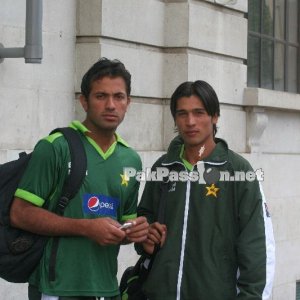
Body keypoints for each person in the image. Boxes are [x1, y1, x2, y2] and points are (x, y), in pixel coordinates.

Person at [10, 58, 149, 300]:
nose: (111, 105)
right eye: (100, 96)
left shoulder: (131, 160)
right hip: (57, 288)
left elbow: (123, 228)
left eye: (119, 97)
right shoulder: (55, 147)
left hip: (107, 289)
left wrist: (135, 232)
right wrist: (85, 228)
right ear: (84, 101)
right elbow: (20, 213)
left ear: (128, 102)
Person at [136, 80, 275, 300]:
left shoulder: (238, 171)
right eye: (182, 113)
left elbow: (257, 247)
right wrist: (145, 239)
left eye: (199, 113)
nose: (190, 121)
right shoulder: (163, 167)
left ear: (214, 116)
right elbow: (143, 223)